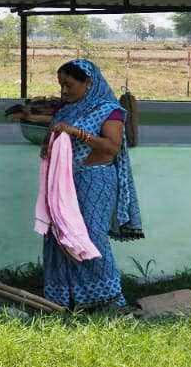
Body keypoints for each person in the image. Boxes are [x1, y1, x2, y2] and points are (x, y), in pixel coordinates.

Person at [42, 59, 143, 309]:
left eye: (69, 85)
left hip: (95, 179)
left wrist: (76, 133)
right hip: (65, 182)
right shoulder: (66, 110)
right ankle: (65, 297)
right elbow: (56, 135)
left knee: (89, 236)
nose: (64, 91)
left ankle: (106, 298)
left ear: (89, 82)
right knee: (60, 236)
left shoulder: (109, 109)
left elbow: (111, 147)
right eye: (61, 86)